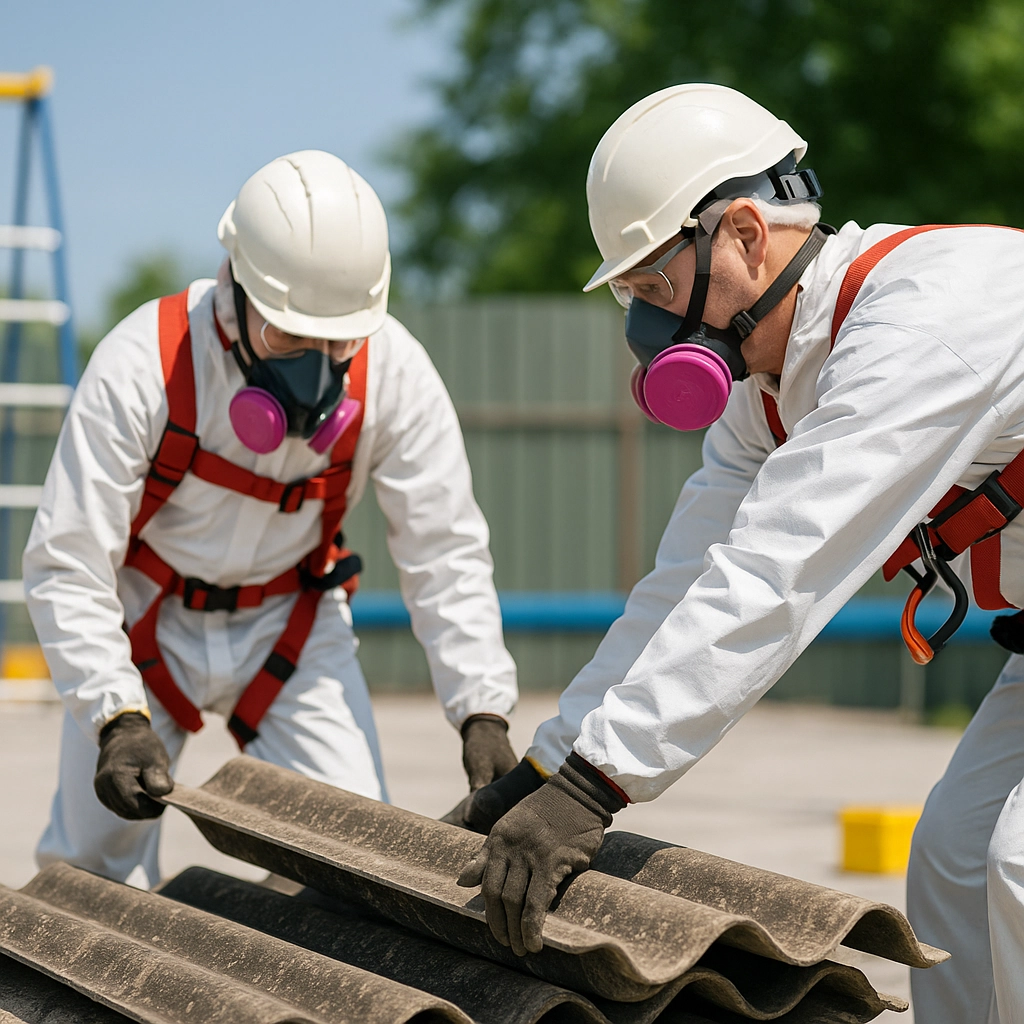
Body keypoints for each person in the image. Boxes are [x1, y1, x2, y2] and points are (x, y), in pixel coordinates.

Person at [449, 84, 1024, 1024]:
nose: (642, 327)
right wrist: (546, 770)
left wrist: (595, 789)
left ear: (747, 235)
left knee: (1020, 861)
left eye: (654, 286)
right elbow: (684, 590)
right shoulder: (772, 383)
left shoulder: (920, 325)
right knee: (954, 860)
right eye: (629, 295)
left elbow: (776, 577)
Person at [24, 149, 519, 890]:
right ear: (236, 284)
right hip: (145, 621)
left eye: (339, 341)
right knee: (90, 869)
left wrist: (483, 711)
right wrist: (113, 714)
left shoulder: (396, 375)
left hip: (290, 625)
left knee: (352, 861)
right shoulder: (145, 363)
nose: (318, 371)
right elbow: (68, 558)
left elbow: (443, 546)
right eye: (292, 337)